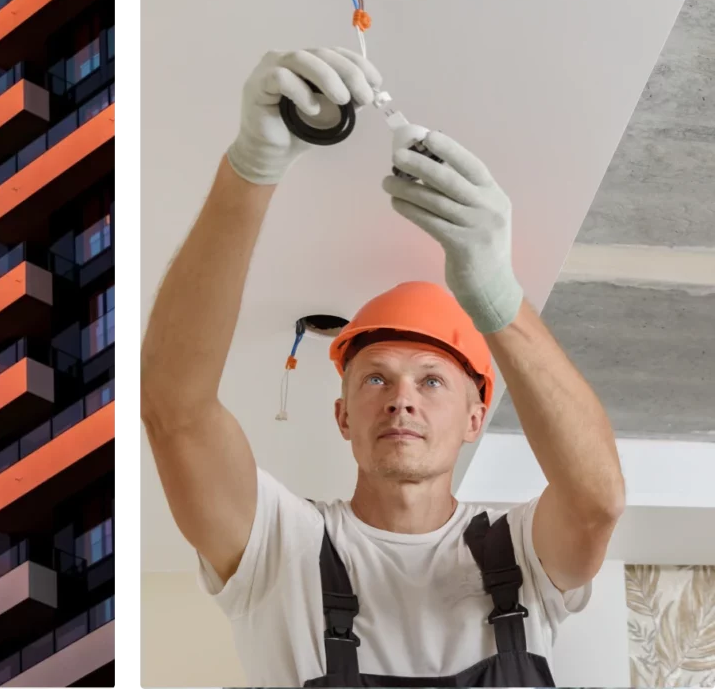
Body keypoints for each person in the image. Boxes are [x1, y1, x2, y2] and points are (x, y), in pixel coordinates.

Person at [138, 47, 626, 687]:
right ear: (342, 416)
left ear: (476, 416)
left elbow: (598, 502)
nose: (402, 399)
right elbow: (174, 410)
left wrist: (496, 293)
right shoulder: (281, 550)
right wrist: (250, 169)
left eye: (431, 380)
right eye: (376, 379)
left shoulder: (522, 555)